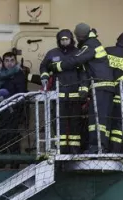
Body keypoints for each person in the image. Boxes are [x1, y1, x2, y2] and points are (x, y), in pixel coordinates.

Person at [49, 23, 114, 153]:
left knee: (97, 119)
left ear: (79, 36)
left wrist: (59, 66)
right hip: (103, 87)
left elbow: (77, 60)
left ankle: (97, 148)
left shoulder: (90, 45)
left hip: (101, 86)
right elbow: (86, 70)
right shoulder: (93, 43)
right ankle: (100, 147)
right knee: (100, 119)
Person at [40, 29, 85, 154]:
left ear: (71, 39)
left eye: (67, 39)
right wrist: (44, 76)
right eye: (62, 40)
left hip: (75, 94)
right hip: (58, 95)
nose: (64, 42)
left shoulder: (78, 53)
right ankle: (62, 149)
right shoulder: (52, 53)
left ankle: (75, 149)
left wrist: (83, 87)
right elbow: (43, 66)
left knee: (75, 122)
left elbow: (83, 72)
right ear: (59, 41)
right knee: (60, 122)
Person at [106, 32, 123, 153]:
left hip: (106, 95)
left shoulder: (107, 51)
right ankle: (116, 151)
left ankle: (105, 149)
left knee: (105, 124)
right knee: (118, 127)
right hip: (120, 97)